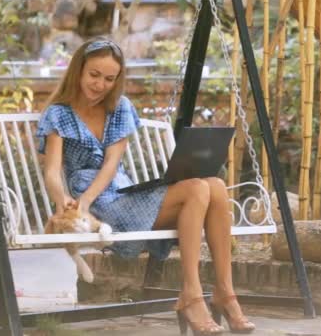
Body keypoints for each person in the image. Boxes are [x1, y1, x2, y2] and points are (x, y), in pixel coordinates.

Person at [37, 37, 255, 335]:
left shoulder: (120, 108)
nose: (100, 84)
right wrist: (67, 199)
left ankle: (225, 292)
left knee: (215, 185)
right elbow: (51, 170)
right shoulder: (58, 114)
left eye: (109, 79)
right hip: (100, 208)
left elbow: (112, 164)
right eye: (94, 75)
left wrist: (87, 199)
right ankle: (191, 295)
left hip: (122, 193)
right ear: (79, 70)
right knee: (196, 188)